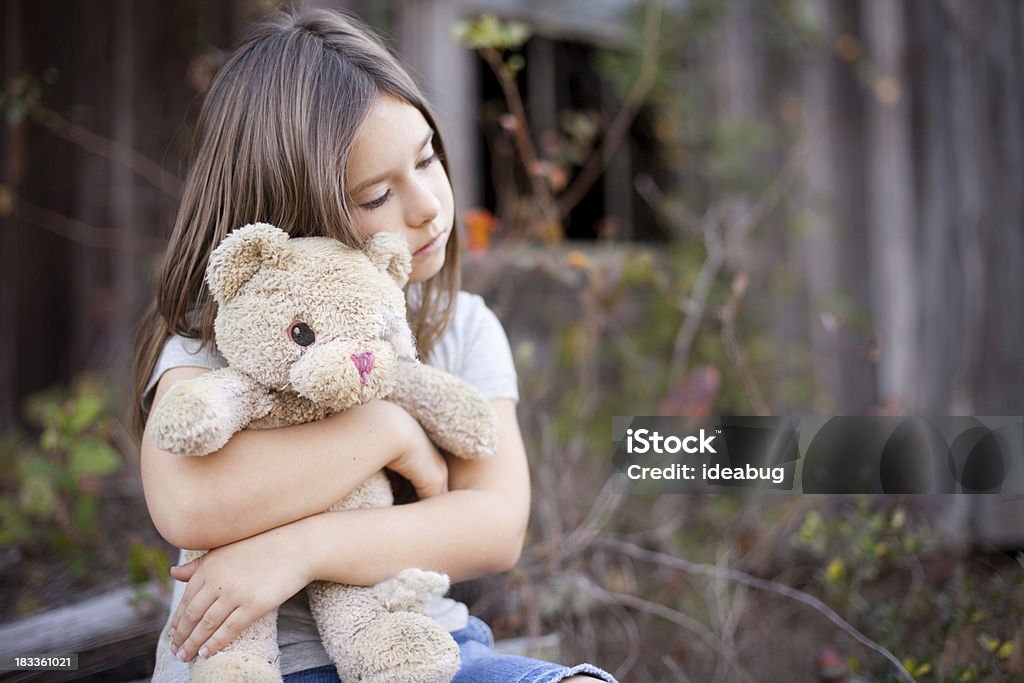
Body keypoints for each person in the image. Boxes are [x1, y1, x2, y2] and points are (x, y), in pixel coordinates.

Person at [132, 8, 618, 683]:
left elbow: (495, 523)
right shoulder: (222, 342)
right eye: (377, 194)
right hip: (266, 665)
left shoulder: (461, 326)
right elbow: (188, 502)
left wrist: (302, 548)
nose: (427, 205)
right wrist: (388, 427)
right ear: (293, 214)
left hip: (418, 649)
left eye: (426, 159)